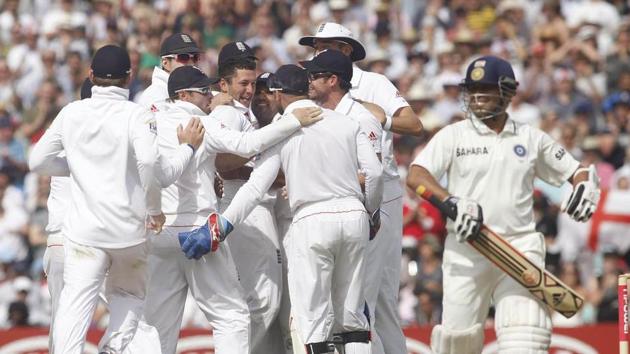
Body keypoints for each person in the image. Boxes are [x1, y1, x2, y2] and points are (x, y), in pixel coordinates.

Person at [179, 64, 383, 354]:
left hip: (310, 220)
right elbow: (374, 173)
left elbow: (255, 187)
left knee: (313, 318)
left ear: (278, 93)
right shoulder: (347, 123)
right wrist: (371, 213)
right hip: (354, 215)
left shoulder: (284, 130)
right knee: (352, 317)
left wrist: (222, 226)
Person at [405, 55, 601, 354]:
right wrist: (451, 202)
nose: (477, 97)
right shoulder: (454, 135)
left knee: (526, 338)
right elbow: (416, 175)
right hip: (467, 249)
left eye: (486, 88)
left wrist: (586, 182)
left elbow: (577, 171)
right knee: (455, 344)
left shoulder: (530, 137)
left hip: (519, 247)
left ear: (508, 92)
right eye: (472, 89)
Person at [143, 65, 322, 354]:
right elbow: (247, 144)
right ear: (184, 94)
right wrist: (292, 122)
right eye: (204, 92)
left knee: (158, 323)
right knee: (232, 317)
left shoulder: (150, 122)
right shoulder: (201, 122)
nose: (209, 99)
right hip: (196, 231)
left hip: (161, 234)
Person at [28, 45, 165, 354]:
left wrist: (73, 167)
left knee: (74, 305)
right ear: (128, 78)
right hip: (129, 232)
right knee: (129, 297)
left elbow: (37, 161)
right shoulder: (137, 114)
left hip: (85, 235)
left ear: (91, 76)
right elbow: (148, 162)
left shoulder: (72, 112)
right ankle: (112, 349)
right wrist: (155, 210)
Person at [299, 22, 422, 354]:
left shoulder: (373, 83)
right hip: (337, 193)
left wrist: (383, 118)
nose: (317, 51)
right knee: (368, 296)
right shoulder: (317, 81)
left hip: (380, 195)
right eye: (315, 46)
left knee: (368, 294)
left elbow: (414, 123)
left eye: (325, 45)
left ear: (347, 49)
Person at [215, 41, 284, 353]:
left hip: (250, 207)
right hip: (243, 208)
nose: (249, 90)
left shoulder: (246, 114)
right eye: (243, 83)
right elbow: (224, 165)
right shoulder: (229, 114)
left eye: (253, 83)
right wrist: (260, 171)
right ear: (224, 83)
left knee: (263, 300)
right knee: (263, 299)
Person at [136, 32, 202, 108]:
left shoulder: (201, 92)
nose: (191, 63)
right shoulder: (154, 96)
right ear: (165, 62)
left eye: (195, 57)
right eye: (183, 57)